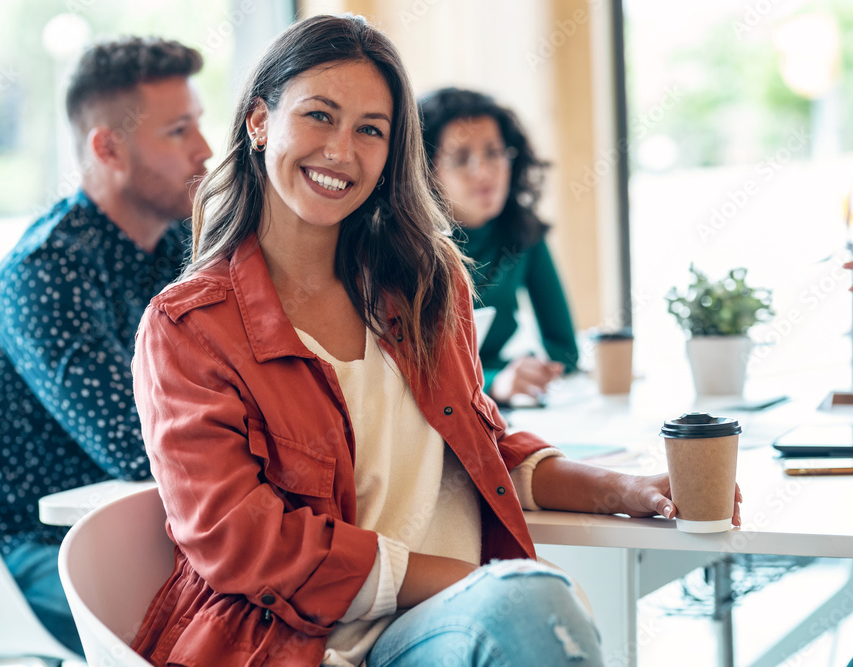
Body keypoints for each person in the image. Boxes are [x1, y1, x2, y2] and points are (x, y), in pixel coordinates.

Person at [129, 15, 741, 667]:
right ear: (258, 121)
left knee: (528, 604)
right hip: (302, 644)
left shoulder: (423, 281)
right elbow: (243, 545)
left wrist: (632, 490)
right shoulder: (190, 326)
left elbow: (480, 449)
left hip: (443, 630)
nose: (341, 150)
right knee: (530, 602)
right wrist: (470, 581)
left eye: (371, 129)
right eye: (319, 116)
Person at [0, 36, 212, 655]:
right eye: (178, 131)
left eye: (198, 126)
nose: (204, 151)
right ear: (107, 147)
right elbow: (139, 446)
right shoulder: (46, 270)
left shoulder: (170, 247)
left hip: (111, 522)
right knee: (199, 632)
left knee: (270, 599)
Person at [418, 88, 579, 403]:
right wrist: (494, 382)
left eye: (493, 152)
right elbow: (411, 372)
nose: (484, 171)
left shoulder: (522, 230)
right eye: (461, 158)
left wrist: (529, 372)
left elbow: (564, 352)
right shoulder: (404, 245)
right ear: (424, 171)